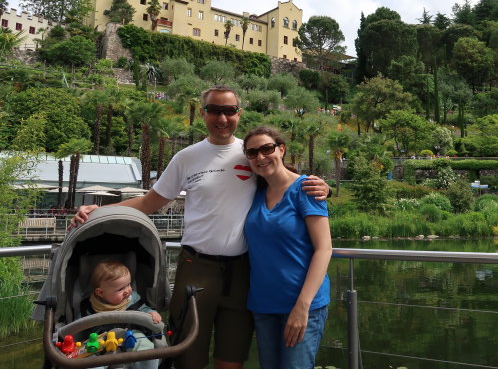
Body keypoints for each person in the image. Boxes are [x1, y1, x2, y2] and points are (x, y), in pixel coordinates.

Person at [71, 85, 330, 369]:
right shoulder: (187, 157)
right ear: (203, 113)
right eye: (214, 110)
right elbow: (149, 202)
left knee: (231, 359)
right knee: (187, 357)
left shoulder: (251, 153)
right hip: (197, 267)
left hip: (243, 272)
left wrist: (322, 187)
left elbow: (285, 179)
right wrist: (98, 209)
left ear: (238, 113)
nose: (222, 118)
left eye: (229, 111)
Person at [242, 126, 332, 369]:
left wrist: (302, 307)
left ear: (281, 149)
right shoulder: (255, 191)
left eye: (267, 148)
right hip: (263, 305)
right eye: (252, 153)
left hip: (303, 305)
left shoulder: (306, 189)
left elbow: (324, 249)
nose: (260, 157)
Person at [84, 260, 161, 369]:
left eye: (128, 284)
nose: (128, 290)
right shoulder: (88, 306)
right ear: (100, 293)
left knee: (146, 348)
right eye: (120, 289)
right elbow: (79, 326)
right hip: (100, 338)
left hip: (130, 333)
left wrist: (151, 312)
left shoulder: (132, 298)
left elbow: (143, 308)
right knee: (89, 359)